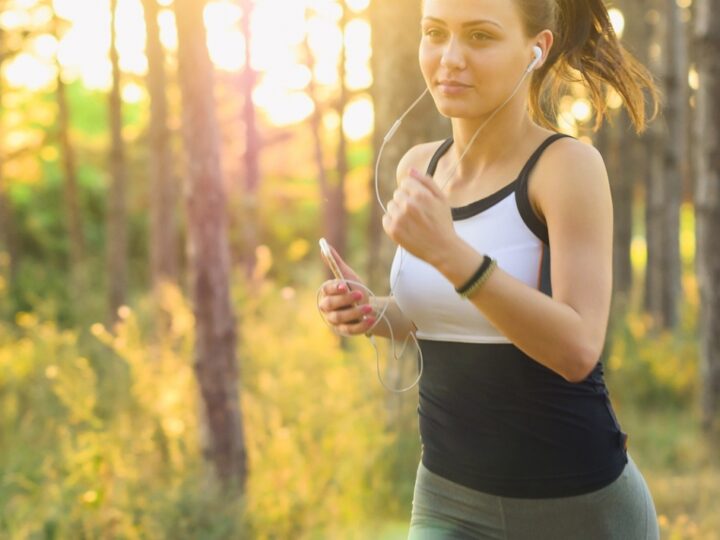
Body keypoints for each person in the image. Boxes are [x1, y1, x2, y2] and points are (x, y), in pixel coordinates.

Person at [318, 0, 660, 538]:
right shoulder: (419, 167)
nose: (450, 58)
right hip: (448, 499)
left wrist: (453, 256)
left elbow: (577, 349)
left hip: (580, 506)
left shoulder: (566, 168)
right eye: (436, 33)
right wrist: (371, 311)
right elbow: (433, 316)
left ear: (536, 49)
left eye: (479, 37)